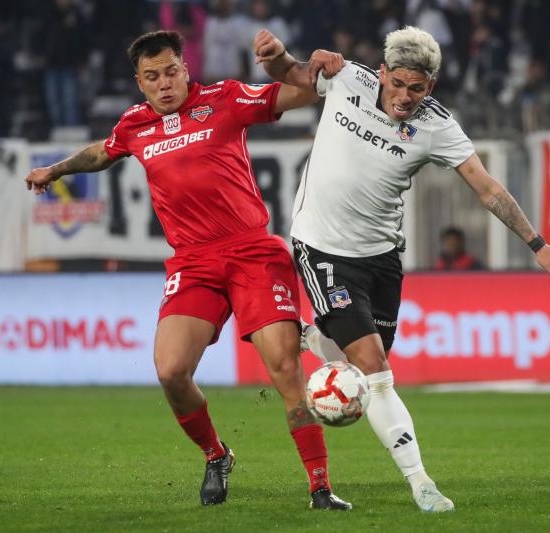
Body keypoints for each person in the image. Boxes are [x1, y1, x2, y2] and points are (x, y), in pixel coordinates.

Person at [254, 26, 550, 512]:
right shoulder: (347, 80)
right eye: (398, 84)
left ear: (431, 87)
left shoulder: (437, 126)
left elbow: (486, 187)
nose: (405, 97)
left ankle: (312, 339)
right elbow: (292, 75)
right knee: (376, 370)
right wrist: (276, 54)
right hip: (321, 248)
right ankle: (421, 483)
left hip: (382, 257)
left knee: (373, 358)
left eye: (418, 88)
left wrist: (537, 244)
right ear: (382, 73)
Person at [25, 30, 352, 510]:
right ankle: (216, 454)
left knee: (284, 369)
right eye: (152, 77)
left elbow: (299, 92)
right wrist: (56, 170)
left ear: (185, 69)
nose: (164, 84)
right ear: (140, 83)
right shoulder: (134, 124)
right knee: (171, 371)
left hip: (252, 253)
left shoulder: (225, 98)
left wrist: (310, 67)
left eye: (171, 72)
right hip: (193, 263)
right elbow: (103, 152)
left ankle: (320, 488)